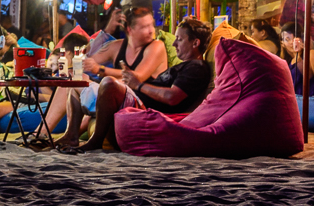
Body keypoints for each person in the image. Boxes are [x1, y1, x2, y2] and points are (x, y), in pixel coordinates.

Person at [59, 18, 213, 152]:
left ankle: (96, 142)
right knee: (77, 83)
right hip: (135, 98)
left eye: (179, 39)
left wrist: (138, 85)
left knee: (109, 82)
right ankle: (71, 136)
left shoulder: (196, 67)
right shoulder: (183, 66)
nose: (174, 43)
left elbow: (172, 97)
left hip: (143, 108)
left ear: (195, 43)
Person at [51, 7, 167, 148]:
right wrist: (108, 30)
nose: (151, 30)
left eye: (151, 25)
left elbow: (137, 77)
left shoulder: (156, 46)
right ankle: (70, 135)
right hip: (114, 99)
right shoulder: (117, 46)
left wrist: (100, 70)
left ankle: (94, 140)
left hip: (140, 103)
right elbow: (85, 59)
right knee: (76, 77)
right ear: (130, 29)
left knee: (109, 82)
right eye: (144, 27)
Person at [281, 23, 314, 96]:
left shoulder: (311, 53)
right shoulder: (287, 62)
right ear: (283, 44)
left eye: (295, 38)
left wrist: (300, 53)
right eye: (287, 39)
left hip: (311, 102)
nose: (292, 42)